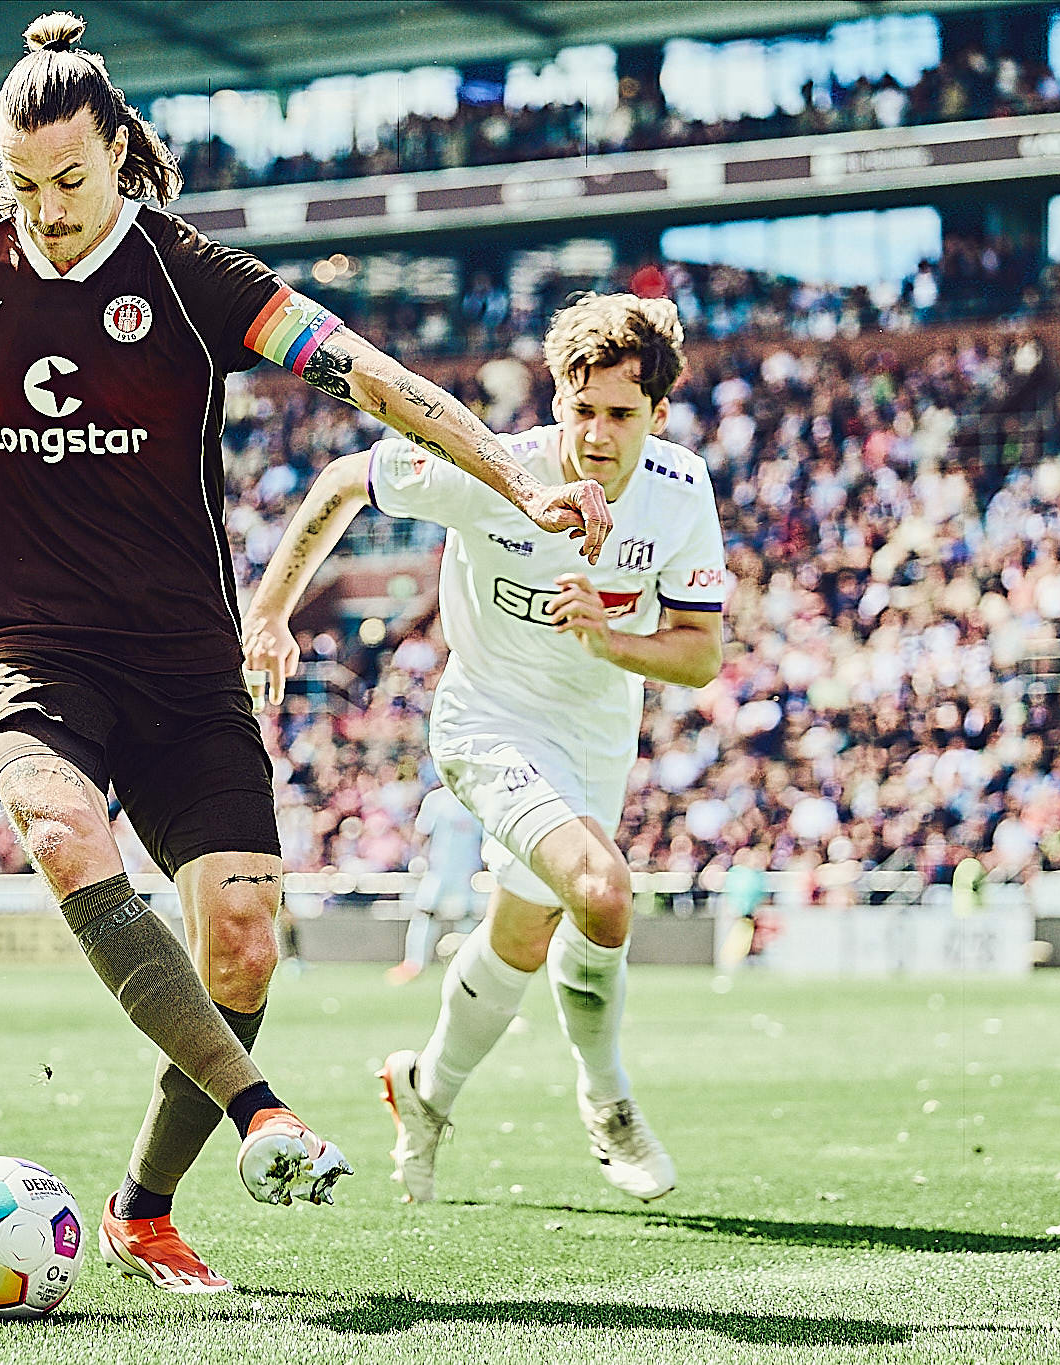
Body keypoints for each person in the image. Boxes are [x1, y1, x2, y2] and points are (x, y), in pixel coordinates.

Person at [0, 11, 611, 1293]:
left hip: (184, 668)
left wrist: (514, 480)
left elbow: (368, 377)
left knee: (244, 943)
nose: (46, 210)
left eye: (70, 180)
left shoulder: (189, 277)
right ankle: (263, 1112)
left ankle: (141, 1209)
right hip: (32, 656)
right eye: (21, 183)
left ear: (118, 153)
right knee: (61, 831)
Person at [243, 293, 725, 1206]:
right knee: (602, 890)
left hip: (596, 734)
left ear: (659, 415)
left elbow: (700, 653)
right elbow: (344, 480)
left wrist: (609, 640)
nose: (598, 434)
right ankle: (610, 1098)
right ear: (557, 400)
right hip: (487, 721)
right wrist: (268, 612)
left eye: (622, 414)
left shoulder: (680, 491)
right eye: (582, 409)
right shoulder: (495, 469)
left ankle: (424, 1090)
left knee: (524, 934)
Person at [388, 783, 483, 985]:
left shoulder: (476, 796)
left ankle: (469, 967)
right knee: (424, 912)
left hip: (469, 871)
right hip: (438, 868)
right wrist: (417, 857)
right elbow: (422, 832)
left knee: (467, 916)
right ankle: (414, 964)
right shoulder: (437, 798)